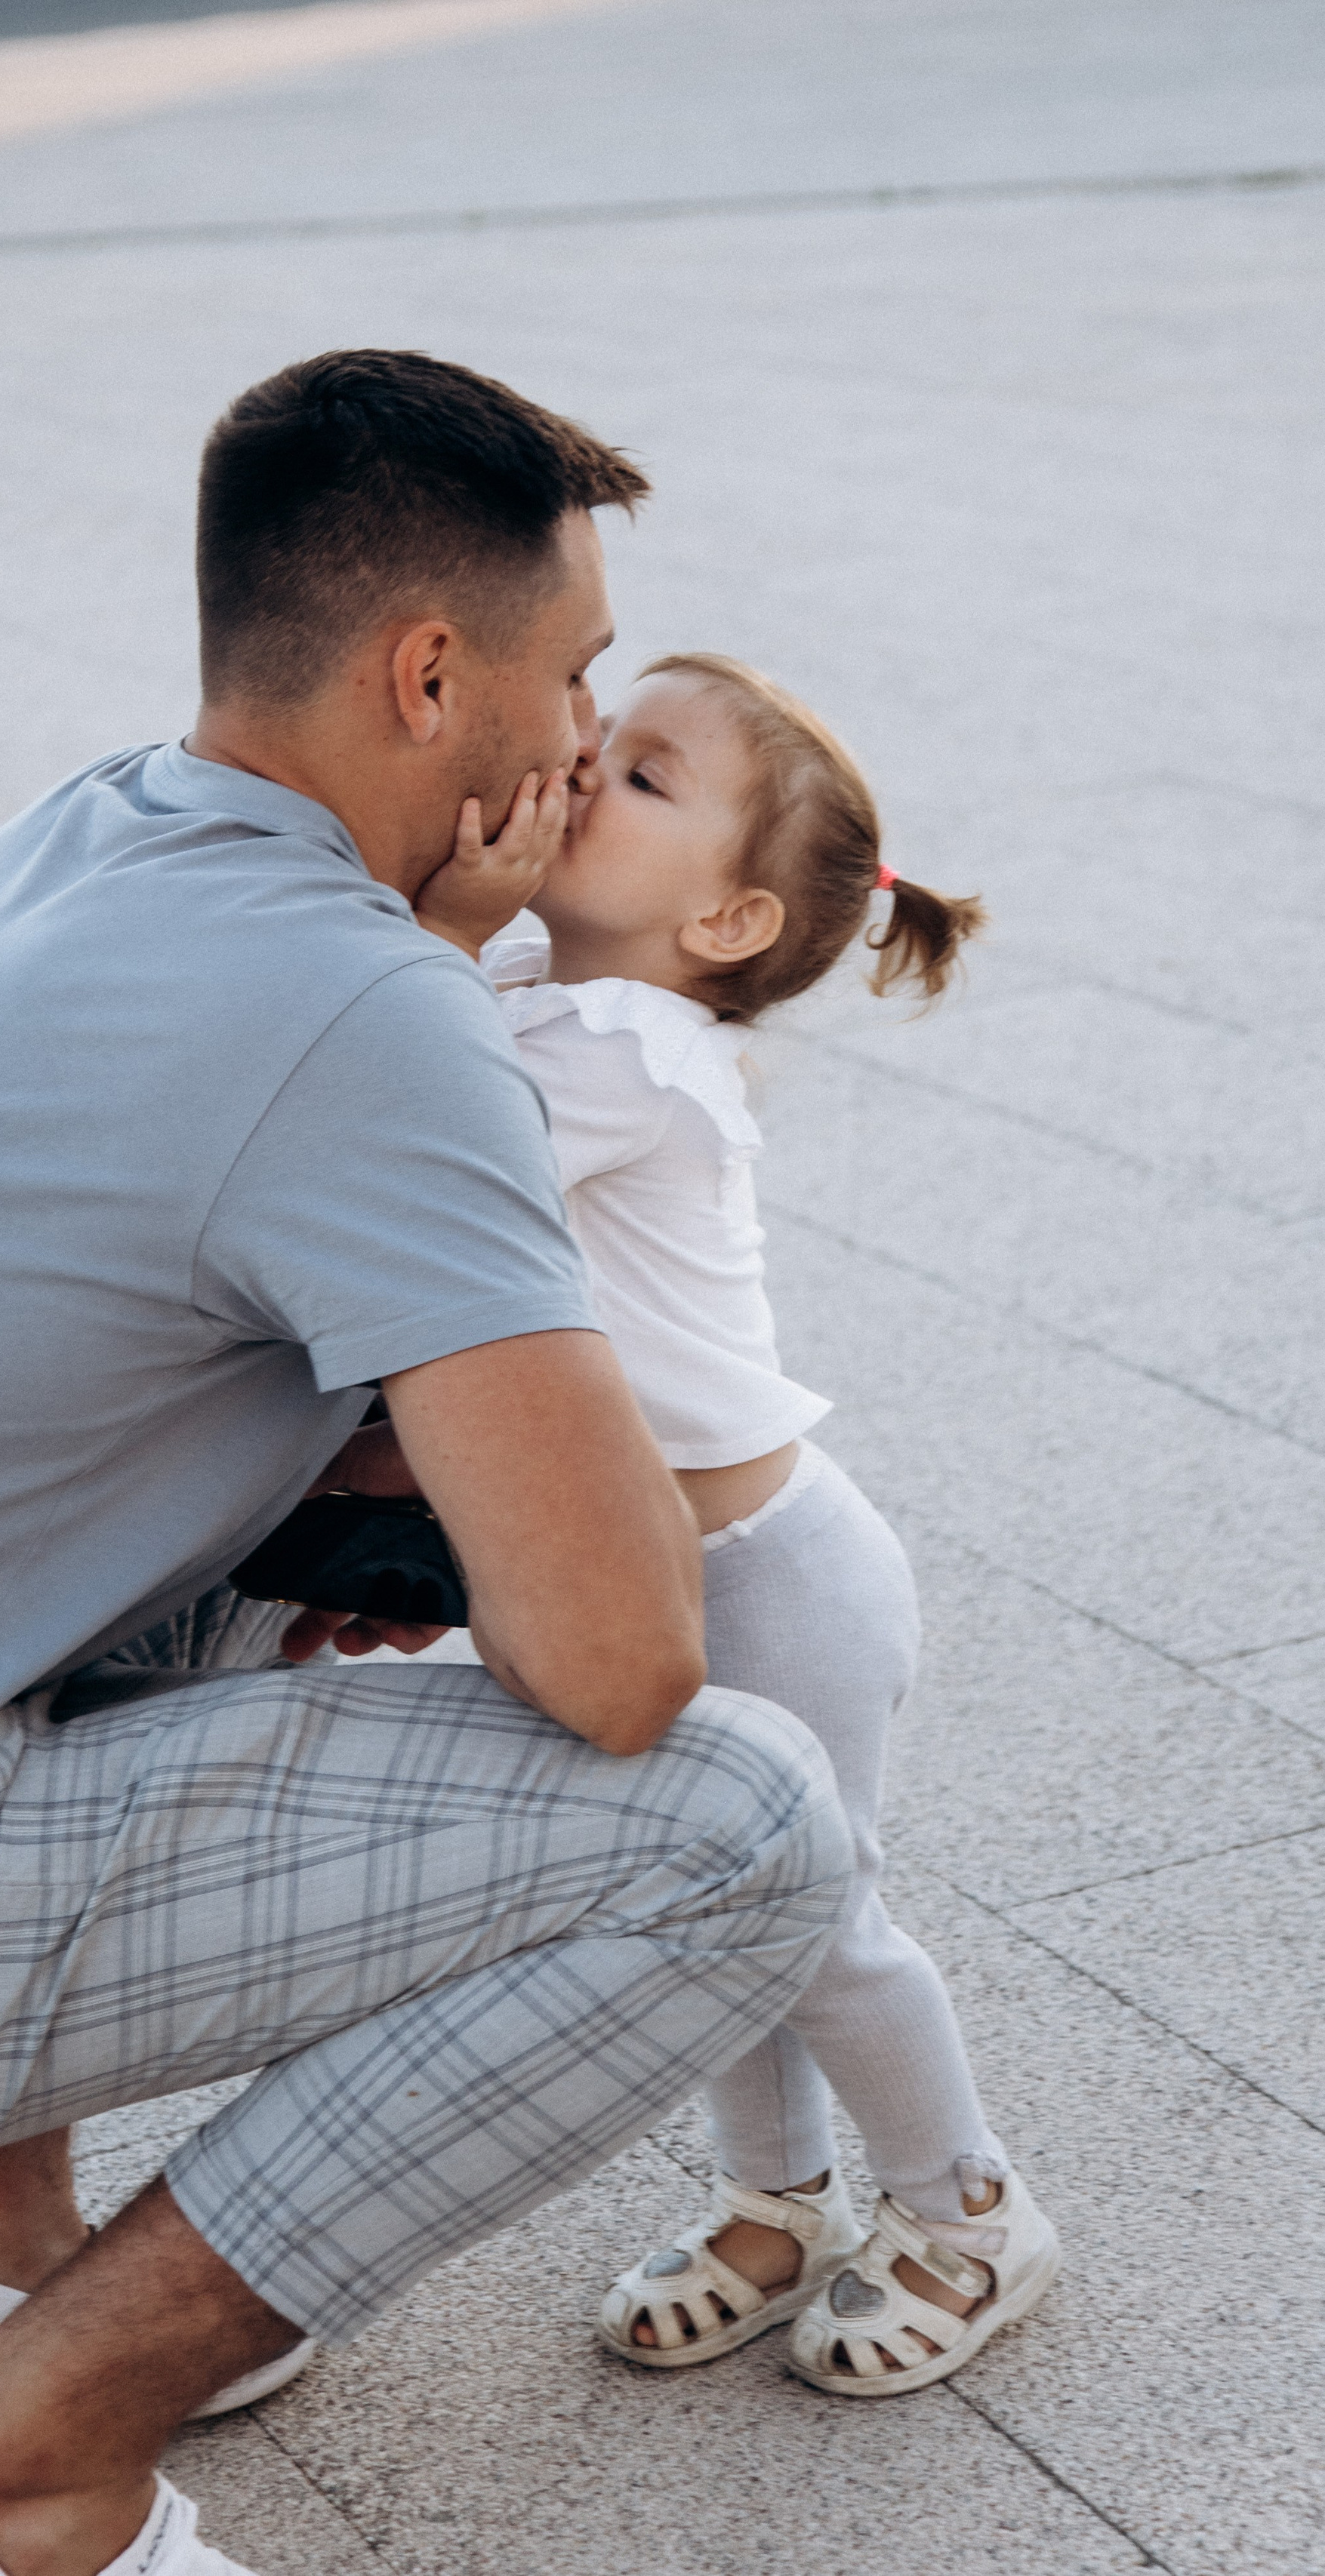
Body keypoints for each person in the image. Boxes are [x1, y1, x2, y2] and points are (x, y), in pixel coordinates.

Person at [0, 357, 853, 2576]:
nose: (585, 734)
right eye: (575, 670)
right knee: (747, 1831)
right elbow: (620, 1660)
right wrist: (435, 999)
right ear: (427, 673)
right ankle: (16, 2454)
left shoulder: (101, 826)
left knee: (293, 1491)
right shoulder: (368, 1018)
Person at [412, 651, 1060, 2395]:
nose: (577, 771)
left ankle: (969, 2209)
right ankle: (773, 2206)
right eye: (598, 747)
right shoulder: (565, 985)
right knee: (720, 1899)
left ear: (724, 921)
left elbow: (423, 1143)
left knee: (821, 1915)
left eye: (638, 778)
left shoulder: (630, 1045)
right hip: (654, 1570)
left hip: (772, 1578)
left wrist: (445, 918)